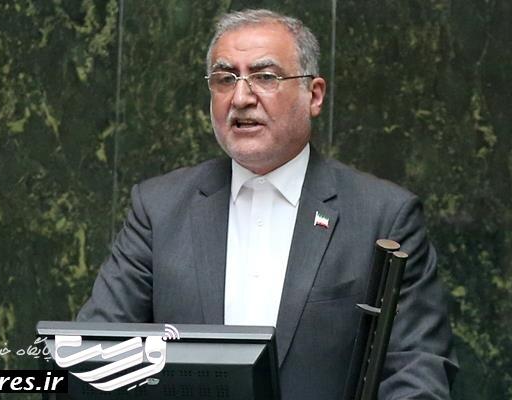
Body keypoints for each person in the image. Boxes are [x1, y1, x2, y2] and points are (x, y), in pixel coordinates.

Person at [78, 9, 458, 399]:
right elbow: (93, 355)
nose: (241, 98)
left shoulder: (383, 216)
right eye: (225, 79)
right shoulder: (158, 209)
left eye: (265, 77)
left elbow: (417, 371)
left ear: (314, 95)